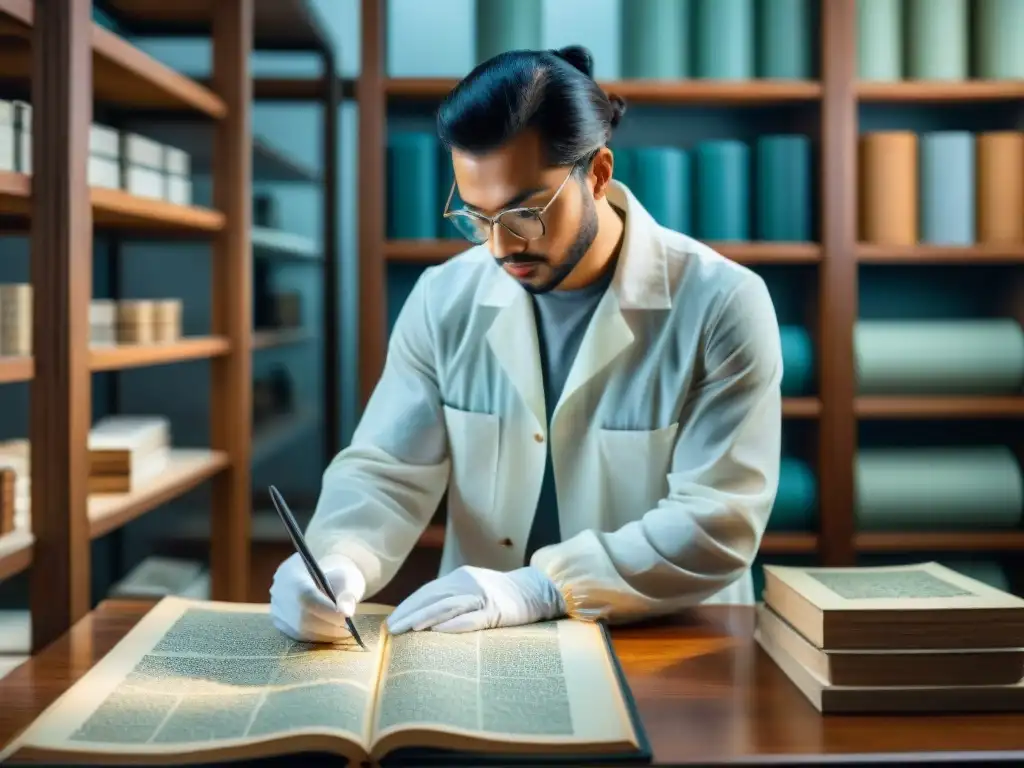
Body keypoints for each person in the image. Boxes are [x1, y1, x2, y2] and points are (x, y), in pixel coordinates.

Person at [269, 44, 782, 644]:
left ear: (596, 173)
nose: (500, 247)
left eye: (524, 213)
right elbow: (387, 470)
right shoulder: (444, 298)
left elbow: (719, 520)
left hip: (672, 642)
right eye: (476, 216)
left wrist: (543, 588)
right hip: (480, 644)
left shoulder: (722, 303)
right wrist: (339, 559)